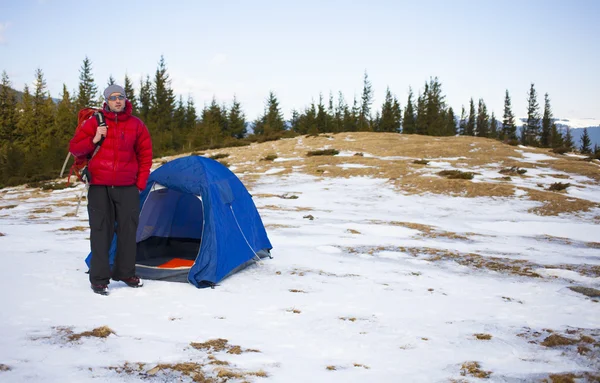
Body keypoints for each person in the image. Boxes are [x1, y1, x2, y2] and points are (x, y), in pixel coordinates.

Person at [69, 84, 153, 295]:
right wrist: (94, 138)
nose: (117, 101)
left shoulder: (137, 125)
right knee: (100, 231)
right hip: (99, 186)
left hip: (127, 187)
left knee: (127, 231)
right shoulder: (94, 122)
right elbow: (75, 148)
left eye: (121, 97)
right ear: (106, 100)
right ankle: (98, 279)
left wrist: (140, 183)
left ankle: (126, 273)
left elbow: (145, 155)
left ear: (125, 100)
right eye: (113, 97)